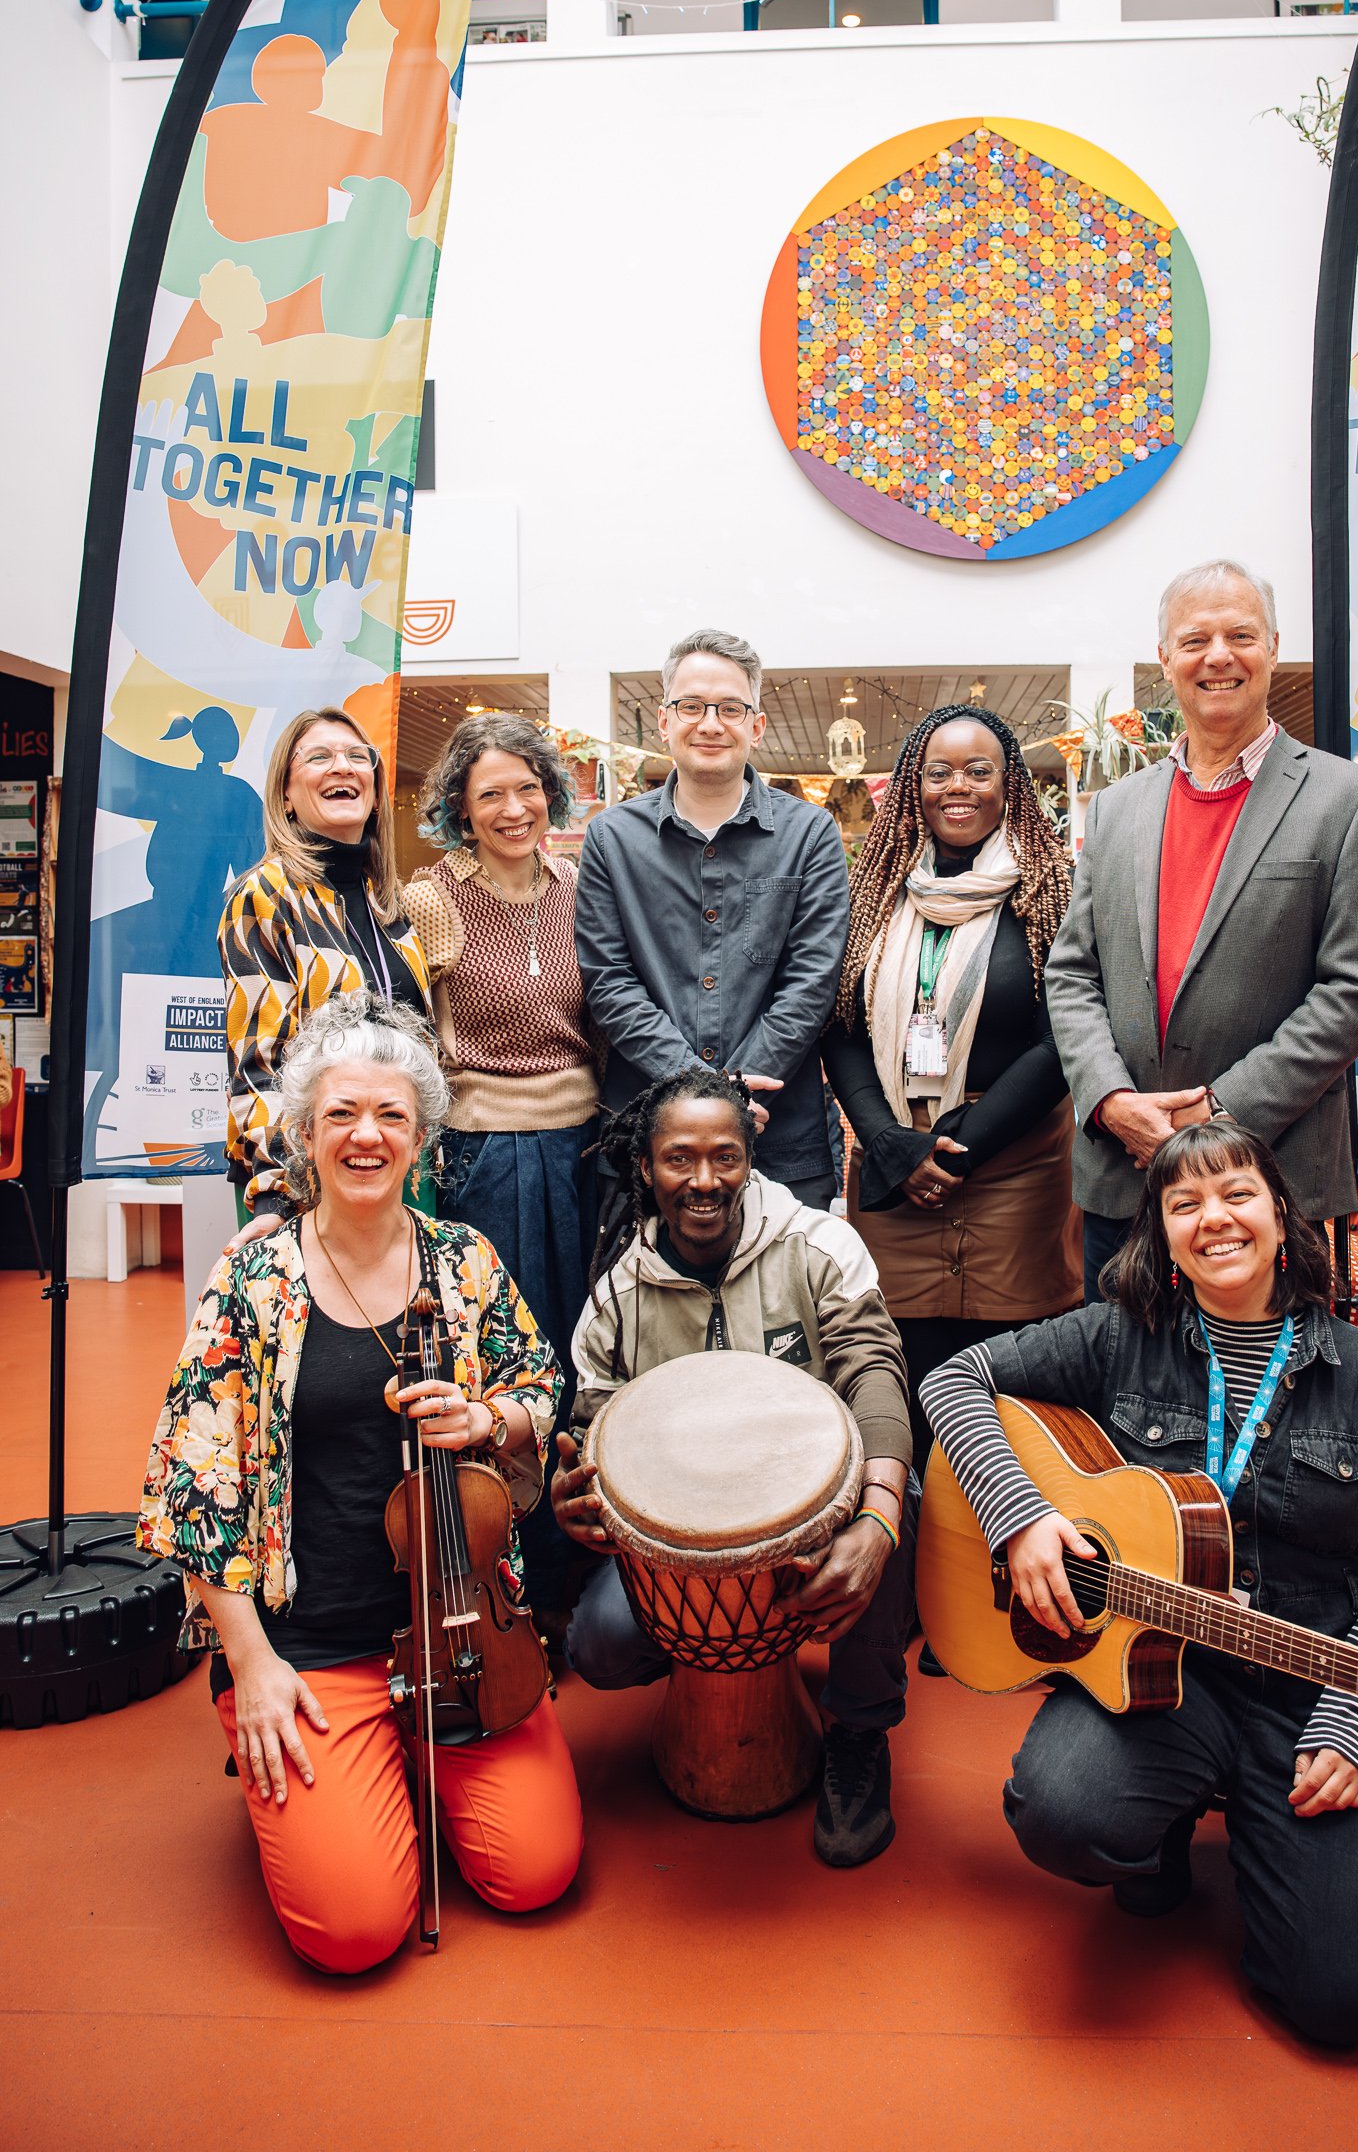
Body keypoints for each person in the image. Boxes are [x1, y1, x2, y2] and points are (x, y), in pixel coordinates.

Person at [921, 1118, 1358, 2049]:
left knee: (1343, 2004)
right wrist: (1018, 1517)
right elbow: (953, 1382)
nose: (1214, 1218)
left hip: (1313, 1682)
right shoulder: (1119, 1337)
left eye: (1238, 1193)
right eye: (1185, 1202)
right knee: (1059, 1811)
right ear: (1161, 1232)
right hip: (1162, 1676)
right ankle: (1173, 1831)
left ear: (1282, 1216)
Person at [136, 997, 582, 1973]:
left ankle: (396, 1763)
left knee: (537, 1872)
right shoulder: (252, 1281)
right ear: (304, 1135)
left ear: (421, 1137)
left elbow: (540, 1384)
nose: (366, 1135)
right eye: (340, 1114)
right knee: (354, 1933)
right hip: (314, 1642)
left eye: (390, 1115)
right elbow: (191, 1490)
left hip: (464, 1629)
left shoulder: (463, 1262)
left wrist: (489, 1421)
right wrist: (253, 1664)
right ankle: (339, 1762)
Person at [553, 1066, 916, 1868]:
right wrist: (573, 1501)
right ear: (646, 1168)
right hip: (679, 1552)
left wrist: (879, 1516)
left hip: (817, 1523)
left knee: (893, 1497)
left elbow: (874, 1368)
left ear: (751, 1158)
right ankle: (714, 1682)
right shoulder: (617, 1296)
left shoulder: (817, 1245)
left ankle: (860, 1731)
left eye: (725, 1156)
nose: (704, 1180)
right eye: (679, 1158)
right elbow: (589, 1435)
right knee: (600, 1647)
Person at [1047, 560, 1358, 1298]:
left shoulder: (1350, 801)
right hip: (1124, 1176)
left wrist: (1216, 1116)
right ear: (1164, 659)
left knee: (1269, 1375)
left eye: (1240, 635)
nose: (1218, 656)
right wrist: (1110, 1101)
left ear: (1272, 647)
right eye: (1195, 640)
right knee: (1123, 1367)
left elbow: (1355, 992)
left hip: (1269, 1181)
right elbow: (1073, 973)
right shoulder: (1116, 809)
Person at [823, 703, 1080, 1475]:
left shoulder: (1049, 891)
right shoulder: (876, 892)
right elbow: (840, 1028)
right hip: (894, 1175)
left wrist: (960, 1148)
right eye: (939, 772)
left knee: (1009, 1399)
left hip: (1016, 1173)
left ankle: (998, 1536)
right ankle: (909, 1540)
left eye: (978, 771)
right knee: (898, 1379)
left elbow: (1061, 1039)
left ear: (1010, 785)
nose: (957, 787)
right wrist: (889, 1144)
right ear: (914, 785)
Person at [403, 711, 600, 1611]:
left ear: (551, 794)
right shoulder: (433, 898)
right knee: (507, 1356)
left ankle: (585, 1555)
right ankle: (512, 1573)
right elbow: (416, 1036)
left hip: (584, 1147)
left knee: (584, 1346)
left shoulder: (580, 887)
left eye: (528, 788)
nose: (514, 808)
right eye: (491, 794)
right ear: (461, 807)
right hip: (485, 1152)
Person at [574, 628, 849, 1209]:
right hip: (647, 1134)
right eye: (691, 706)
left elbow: (813, 979)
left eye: (730, 708)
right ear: (664, 720)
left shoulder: (810, 833)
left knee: (788, 1273)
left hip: (780, 1129)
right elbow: (609, 981)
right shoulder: (611, 838)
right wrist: (702, 1093)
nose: (710, 723)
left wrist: (736, 1091)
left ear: (756, 725)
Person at [221, 705, 431, 1222]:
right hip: (306, 1178)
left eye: (358, 756)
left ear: (375, 793)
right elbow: (258, 1062)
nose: (342, 766)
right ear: (285, 796)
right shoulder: (265, 894)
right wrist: (274, 1195)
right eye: (318, 757)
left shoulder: (386, 901)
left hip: (398, 1165)